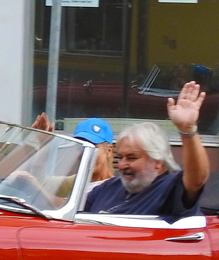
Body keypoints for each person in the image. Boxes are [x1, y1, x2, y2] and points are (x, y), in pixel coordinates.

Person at [83, 81, 209, 219]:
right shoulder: (110, 187)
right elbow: (70, 209)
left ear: (158, 162)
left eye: (132, 157)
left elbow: (196, 180)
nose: (122, 165)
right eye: (120, 157)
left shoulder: (169, 189)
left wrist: (188, 130)